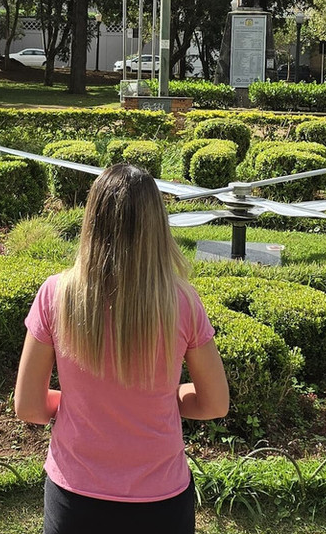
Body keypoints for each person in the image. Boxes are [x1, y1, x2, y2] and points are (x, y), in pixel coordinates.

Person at [15, 163, 229, 534]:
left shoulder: (55, 295)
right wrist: (165, 398)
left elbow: (29, 407)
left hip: (75, 498)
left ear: (92, 221)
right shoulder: (183, 302)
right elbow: (214, 404)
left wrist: (82, 404)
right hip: (160, 502)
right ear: (157, 225)